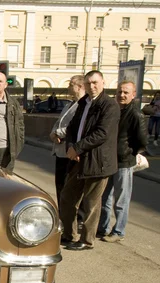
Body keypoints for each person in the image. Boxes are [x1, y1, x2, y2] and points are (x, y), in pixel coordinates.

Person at [60, 70, 120, 251]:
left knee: (91, 203)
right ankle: (69, 234)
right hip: (78, 159)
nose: (92, 86)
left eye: (95, 83)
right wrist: (71, 147)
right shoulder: (83, 103)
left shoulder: (109, 105)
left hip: (97, 161)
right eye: (88, 83)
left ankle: (87, 240)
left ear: (103, 83)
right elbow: (71, 128)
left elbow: (102, 133)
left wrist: (77, 148)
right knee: (67, 197)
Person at [97, 81, 148, 243]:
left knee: (121, 200)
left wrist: (129, 152)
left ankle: (118, 230)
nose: (122, 95)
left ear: (133, 95)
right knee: (105, 198)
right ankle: (102, 227)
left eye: (126, 92)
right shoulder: (115, 110)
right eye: (119, 92)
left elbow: (142, 140)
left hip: (124, 163)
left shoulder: (135, 114)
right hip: (110, 161)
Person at [49, 75, 86, 207]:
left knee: (68, 188)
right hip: (59, 151)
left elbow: (75, 126)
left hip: (70, 152)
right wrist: (53, 133)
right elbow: (59, 122)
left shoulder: (83, 105)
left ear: (80, 86)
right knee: (59, 185)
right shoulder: (69, 104)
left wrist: (58, 133)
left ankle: (70, 216)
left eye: (71, 84)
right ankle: (61, 214)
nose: (68, 87)